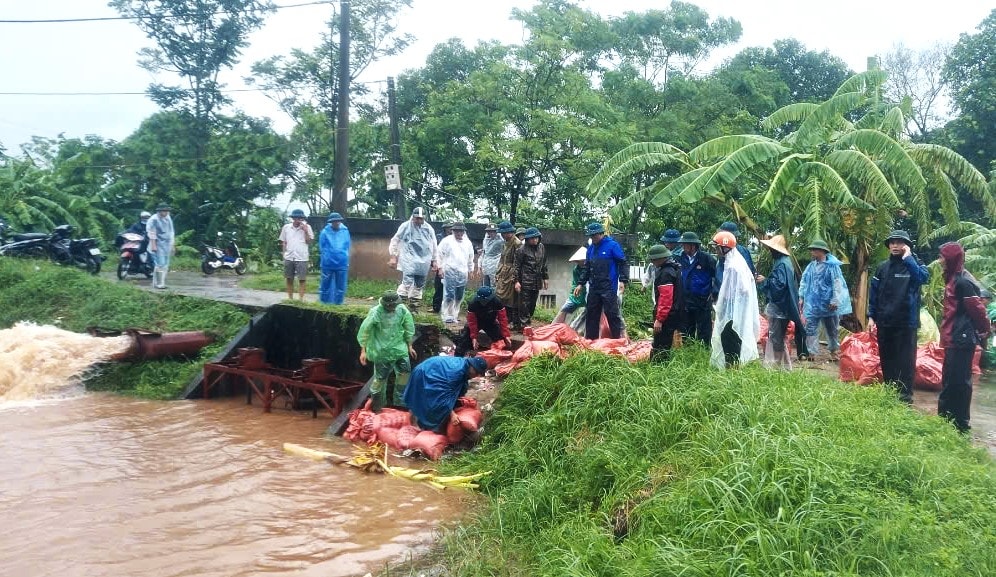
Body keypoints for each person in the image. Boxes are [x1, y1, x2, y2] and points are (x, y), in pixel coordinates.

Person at [868, 230, 930, 404]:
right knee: (887, 359)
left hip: (906, 322)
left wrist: (908, 258)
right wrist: (871, 316)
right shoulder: (882, 267)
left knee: (905, 361)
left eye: (900, 242)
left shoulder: (915, 264)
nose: (895, 245)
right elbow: (874, 293)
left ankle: (905, 398)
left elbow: (922, 278)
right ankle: (889, 392)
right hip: (885, 321)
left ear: (907, 245)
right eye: (892, 242)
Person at [937, 242, 990, 433]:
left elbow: (978, 311)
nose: (940, 260)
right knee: (949, 379)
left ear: (951, 259)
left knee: (960, 382)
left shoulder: (963, 282)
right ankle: (944, 420)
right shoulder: (952, 278)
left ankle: (960, 424)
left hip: (962, 338)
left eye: (943, 257)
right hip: (953, 337)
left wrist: (984, 330)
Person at [357, 291, 417, 413]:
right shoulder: (375, 313)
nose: (391, 308)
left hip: (399, 350)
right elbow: (364, 332)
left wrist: (409, 345)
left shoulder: (402, 310)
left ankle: (400, 406)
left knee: (404, 375)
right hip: (381, 352)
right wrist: (363, 351)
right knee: (379, 380)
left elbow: (408, 327)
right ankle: (378, 408)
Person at [755, 234, 807, 368]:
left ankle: (776, 366)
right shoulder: (784, 262)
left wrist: (765, 281)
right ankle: (785, 366)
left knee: (776, 337)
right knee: (778, 336)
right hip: (782, 307)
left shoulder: (782, 264)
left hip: (780, 308)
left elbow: (779, 286)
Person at [710, 231, 760, 369]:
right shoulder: (733, 263)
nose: (716, 250)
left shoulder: (734, 266)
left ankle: (732, 369)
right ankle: (732, 368)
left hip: (732, 311)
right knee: (729, 338)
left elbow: (742, 289)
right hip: (734, 309)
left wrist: (726, 299)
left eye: (717, 248)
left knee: (729, 338)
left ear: (724, 248)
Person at [798, 239, 851, 361]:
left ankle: (834, 351)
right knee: (810, 327)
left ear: (822, 251)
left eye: (814, 250)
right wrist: (801, 296)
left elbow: (837, 284)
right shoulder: (811, 266)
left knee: (832, 329)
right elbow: (804, 281)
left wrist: (835, 300)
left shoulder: (832, 267)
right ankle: (811, 353)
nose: (812, 252)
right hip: (812, 304)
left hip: (829, 305)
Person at [403, 356, 487, 432]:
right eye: (476, 372)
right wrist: (452, 414)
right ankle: (419, 423)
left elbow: (461, 386)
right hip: (424, 373)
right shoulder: (455, 373)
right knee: (424, 400)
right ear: (471, 365)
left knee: (448, 399)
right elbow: (441, 395)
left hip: (433, 369)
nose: (476, 375)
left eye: (478, 373)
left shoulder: (465, 366)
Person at [575, 222, 628, 339]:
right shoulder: (591, 249)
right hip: (594, 287)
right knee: (591, 314)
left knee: (612, 314)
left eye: (594, 235)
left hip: (609, 287)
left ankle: (617, 340)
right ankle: (591, 341)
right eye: (591, 236)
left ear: (601, 234)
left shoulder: (612, 245)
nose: (592, 238)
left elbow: (623, 263)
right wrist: (580, 284)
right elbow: (587, 268)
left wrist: (623, 280)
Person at [388, 207, 438, 314]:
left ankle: (413, 308)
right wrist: (393, 256)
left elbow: (434, 245)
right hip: (409, 257)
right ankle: (398, 307)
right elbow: (395, 240)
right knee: (407, 282)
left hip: (424, 259)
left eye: (421, 219)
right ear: (413, 217)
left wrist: (434, 261)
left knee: (420, 284)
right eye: (417, 218)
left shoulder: (429, 229)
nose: (419, 221)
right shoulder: (405, 226)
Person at [677, 231, 717, 343]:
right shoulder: (680, 259)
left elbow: (717, 277)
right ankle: (689, 351)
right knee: (687, 329)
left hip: (703, 299)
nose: (683, 247)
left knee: (704, 330)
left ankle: (704, 351)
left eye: (685, 244)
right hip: (686, 299)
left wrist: (713, 292)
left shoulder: (706, 259)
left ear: (693, 245)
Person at [647, 244, 684, 362]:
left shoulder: (666, 273)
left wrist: (659, 319)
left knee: (660, 344)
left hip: (667, 315)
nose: (652, 262)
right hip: (673, 312)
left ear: (660, 258)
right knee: (665, 344)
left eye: (653, 259)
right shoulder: (674, 269)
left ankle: (658, 368)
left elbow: (665, 298)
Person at [454, 286, 512, 356]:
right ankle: (458, 357)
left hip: (491, 322)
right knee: (464, 339)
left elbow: (503, 319)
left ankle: (501, 356)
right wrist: (474, 337)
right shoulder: (473, 303)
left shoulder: (497, 302)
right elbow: (472, 322)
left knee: (501, 339)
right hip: (477, 322)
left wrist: (506, 335)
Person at [437, 222, 475, 323]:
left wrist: (471, 270)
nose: (459, 233)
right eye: (457, 231)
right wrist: (440, 268)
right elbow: (439, 254)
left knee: (459, 295)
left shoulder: (467, 243)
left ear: (464, 231)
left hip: (462, 272)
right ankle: (447, 315)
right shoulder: (446, 241)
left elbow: (471, 257)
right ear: (453, 231)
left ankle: (455, 314)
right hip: (449, 270)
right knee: (449, 294)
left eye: (461, 231)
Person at [514, 227, 549, 328]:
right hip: (525, 280)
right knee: (524, 304)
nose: (535, 240)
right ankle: (524, 325)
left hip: (537, 281)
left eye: (536, 238)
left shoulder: (541, 247)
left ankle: (526, 322)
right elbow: (516, 267)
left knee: (532, 304)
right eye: (532, 238)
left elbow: (544, 263)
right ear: (528, 239)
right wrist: (516, 281)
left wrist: (545, 277)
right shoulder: (521, 250)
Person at [278, 208, 314, 300]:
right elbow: (284, 241)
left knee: (302, 279)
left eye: (300, 218)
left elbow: (309, 242)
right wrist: (283, 254)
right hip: (289, 257)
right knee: (289, 278)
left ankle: (301, 299)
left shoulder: (307, 227)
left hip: (302, 257)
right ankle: (290, 298)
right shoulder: (286, 227)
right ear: (293, 218)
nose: (298, 220)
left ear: (302, 218)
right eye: (296, 218)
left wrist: (305, 231)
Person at [714, 221, 755, 298]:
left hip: (735, 295)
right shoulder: (722, 250)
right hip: (725, 294)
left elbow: (748, 274)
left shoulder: (741, 252)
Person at [494, 221, 522, 331]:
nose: (502, 235)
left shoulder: (517, 243)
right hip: (503, 272)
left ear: (509, 232)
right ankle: (502, 319)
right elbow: (502, 259)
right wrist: (498, 272)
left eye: (503, 233)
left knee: (511, 299)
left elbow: (518, 262)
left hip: (512, 274)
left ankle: (510, 320)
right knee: (500, 296)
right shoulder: (505, 243)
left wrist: (515, 278)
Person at [318, 212, 350, 304]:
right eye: (334, 221)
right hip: (327, 262)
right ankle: (324, 303)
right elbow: (322, 247)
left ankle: (338, 304)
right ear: (331, 222)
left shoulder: (345, 231)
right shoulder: (325, 232)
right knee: (325, 284)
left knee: (341, 286)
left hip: (342, 262)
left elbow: (347, 245)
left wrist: (345, 257)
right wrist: (326, 257)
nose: (336, 223)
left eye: (338, 221)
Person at [553, 247, 587, 326]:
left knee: (588, 314)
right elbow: (575, 283)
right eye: (578, 261)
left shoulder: (591, 268)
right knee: (565, 309)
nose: (579, 262)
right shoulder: (576, 269)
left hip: (588, 295)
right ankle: (556, 328)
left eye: (581, 260)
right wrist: (573, 295)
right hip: (577, 293)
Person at [146, 203, 174, 289]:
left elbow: (171, 231)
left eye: (166, 211)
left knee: (165, 264)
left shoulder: (168, 217)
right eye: (164, 211)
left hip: (166, 244)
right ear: (159, 211)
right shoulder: (153, 219)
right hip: (157, 243)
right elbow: (151, 233)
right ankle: (159, 284)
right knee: (160, 264)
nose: (165, 212)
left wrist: (172, 245)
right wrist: (154, 245)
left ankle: (159, 282)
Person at [431, 223, 453, 314]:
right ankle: (436, 307)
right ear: (445, 228)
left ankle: (449, 308)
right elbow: (434, 250)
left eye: (451, 227)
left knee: (451, 288)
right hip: (441, 264)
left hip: (452, 265)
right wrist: (433, 263)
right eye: (449, 227)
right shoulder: (439, 237)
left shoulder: (455, 238)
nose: (450, 229)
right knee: (439, 286)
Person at [479, 223, 503, 288]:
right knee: (486, 284)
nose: (491, 233)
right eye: (489, 231)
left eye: (493, 231)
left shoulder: (500, 241)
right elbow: (485, 252)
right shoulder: (486, 240)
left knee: (494, 284)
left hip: (495, 265)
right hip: (486, 265)